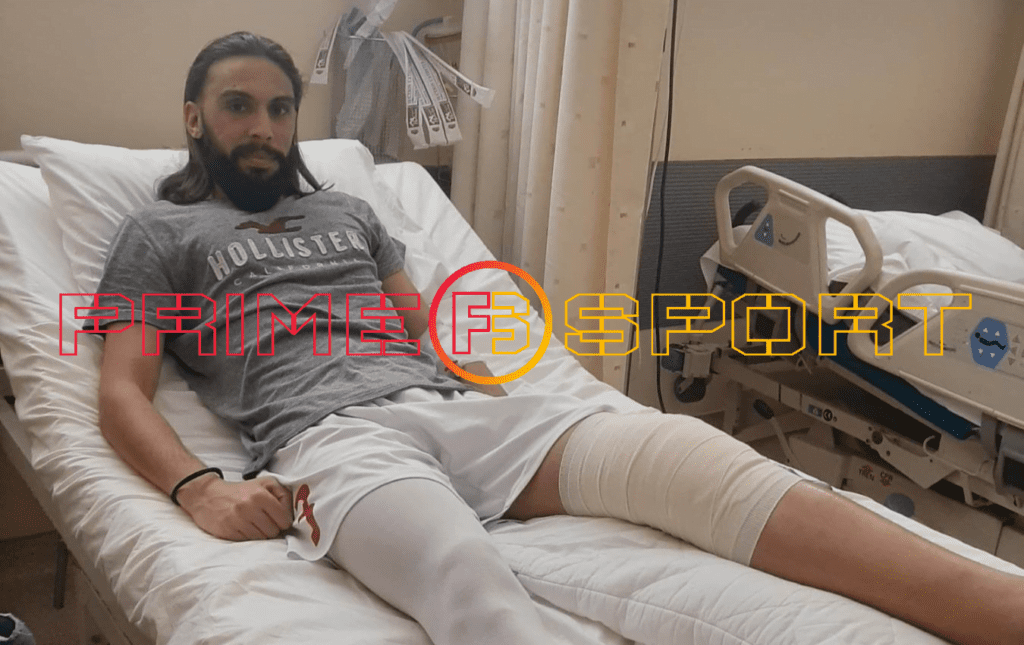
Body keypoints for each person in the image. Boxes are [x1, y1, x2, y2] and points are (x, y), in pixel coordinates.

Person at [95, 32, 1022, 645]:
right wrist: (200, 488)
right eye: (238, 107)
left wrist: (493, 394)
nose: (263, 128)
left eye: (279, 109)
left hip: (458, 406)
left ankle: (997, 608)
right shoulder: (161, 235)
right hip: (331, 441)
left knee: (696, 457)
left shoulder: (349, 210)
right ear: (195, 120)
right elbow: (123, 391)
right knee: (466, 578)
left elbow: (422, 325)